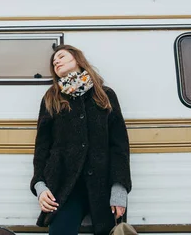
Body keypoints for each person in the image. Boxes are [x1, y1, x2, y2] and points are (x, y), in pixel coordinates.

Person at [30, 44, 132, 235]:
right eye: (54, 62)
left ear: (77, 59)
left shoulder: (105, 95)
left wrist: (120, 189)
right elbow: (42, 147)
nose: (56, 62)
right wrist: (40, 186)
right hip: (64, 187)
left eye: (61, 56)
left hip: (104, 186)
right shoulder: (52, 97)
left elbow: (119, 146)